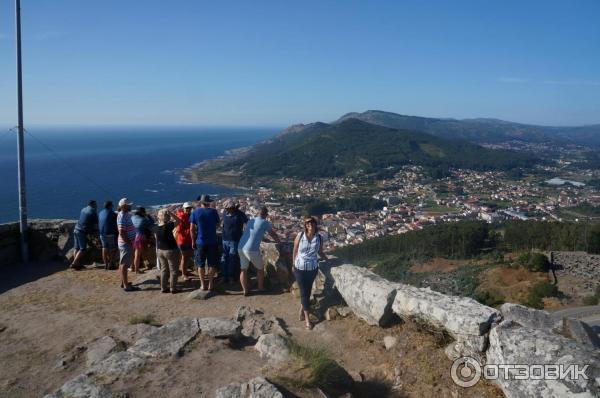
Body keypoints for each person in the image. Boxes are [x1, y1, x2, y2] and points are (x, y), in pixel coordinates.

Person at [292, 215, 328, 330]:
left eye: (312, 222)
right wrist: (293, 263)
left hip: (312, 269)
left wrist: (327, 260)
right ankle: (307, 320)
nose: (310, 224)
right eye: (307, 223)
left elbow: (320, 252)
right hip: (300, 268)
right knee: (304, 292)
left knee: (307, 292)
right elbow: (295, 250)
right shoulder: (300, 235)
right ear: (305, 225)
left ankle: (302, 310)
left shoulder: (319, 238)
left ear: (315, 224)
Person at [238, 206, 280, 296]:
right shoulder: (265, 222)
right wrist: (279, 243)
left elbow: (254, 233)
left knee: (243, 270)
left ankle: (245, 290)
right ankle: (260, 288)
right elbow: (272, 234)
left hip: (241, 246)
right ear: (266, 215)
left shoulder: (251, 221)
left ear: (258, 213)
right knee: (260, 269)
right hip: (251, 249)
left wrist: (262, 237)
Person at [190, 194, 220, 291]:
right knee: (212, 264)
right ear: (209, 202)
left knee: (200, 264)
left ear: (201, 202)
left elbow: (191, 229)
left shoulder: (195, 212)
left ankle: (203, 285)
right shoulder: (213, 212)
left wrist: (193, 241)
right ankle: (211, 284)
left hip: (200, 241)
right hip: (212, 241)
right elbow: (218, 225)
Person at [221, 200, 248, 284]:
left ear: (232, 207)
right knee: (224, 258)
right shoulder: (225, 213)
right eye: (226, 208)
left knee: (232, 258)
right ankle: (224, 276)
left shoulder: (239, 214)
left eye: (228, 208)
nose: (227, 209)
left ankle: (230, 276)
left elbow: (247, 223)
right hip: (224, 239)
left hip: (235, 240)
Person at [155, 208, 180, 294]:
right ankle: (173, 288)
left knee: (164, 270)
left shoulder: (156, 228)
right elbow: (178, 220)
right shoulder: (169, 226)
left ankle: (163, 287)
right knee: (173, 270)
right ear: (167, 217)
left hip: (160, 250)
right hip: (170, 250)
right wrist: (171, 213)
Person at [117, 198, 139, 292]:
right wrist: (129, 242)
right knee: (124, 265)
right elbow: (121, 231)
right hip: (126, 243)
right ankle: (126, 286)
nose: (131, 206)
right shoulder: (122, 215)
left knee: (124, 263)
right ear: (123, 206)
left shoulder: (125, 214)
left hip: (125, 243)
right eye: (129, 205)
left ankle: (123, 282)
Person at [70, 200, 98, 270]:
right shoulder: (93, 211)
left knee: (76, 248)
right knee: (83, 249)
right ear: (93, 204)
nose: (96, 206)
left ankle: (77, 263)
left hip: (76, 228)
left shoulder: (83, 209)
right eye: (95, 204)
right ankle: (74, 263)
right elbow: (97, 222)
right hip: (81, 231)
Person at [131, 207, 155, 274]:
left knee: (138, 253)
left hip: (133, 236)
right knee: (138, 254)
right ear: (142, 212)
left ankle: (135, 267)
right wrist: (148, 215)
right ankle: (137, 270)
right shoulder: (143, 219)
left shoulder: (132, 217)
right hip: (140, 237)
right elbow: (152, 222)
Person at [174, 202, 194, 281]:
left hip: (186, 240)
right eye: (187, 208)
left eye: (190, 208)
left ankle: (183, 271)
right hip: (183, 240)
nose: (188, 209)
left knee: (185, 257)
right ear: (183, 209)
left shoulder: (188, 215)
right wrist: (189, 231)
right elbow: (179, 230)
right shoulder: (182, 217)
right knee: (184, 258)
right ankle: (184, 274)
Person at [98, 201, 118, 270]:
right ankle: (111, 264)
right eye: (112, 205)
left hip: (101, 234)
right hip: (110, 234)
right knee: (113, 249)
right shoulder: (112, 213)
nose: (112, 206)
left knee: (104, 248)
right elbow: (117, 220)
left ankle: (105, 264)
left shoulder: (100, 213)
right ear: (109, 206)